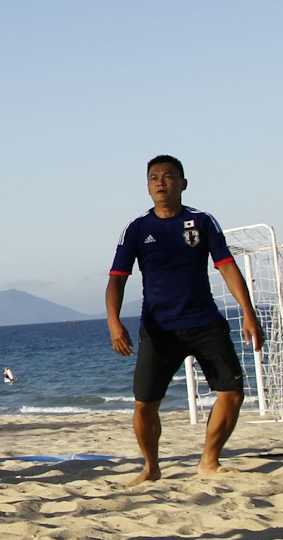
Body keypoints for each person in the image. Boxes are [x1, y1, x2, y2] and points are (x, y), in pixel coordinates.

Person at [106, 154, 264, 484]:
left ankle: (209, 460)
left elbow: (226, 266)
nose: (160, 182)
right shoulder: (137, 229)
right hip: (159, 330)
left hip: (204, 321)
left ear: (183, 184)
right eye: (153, 178)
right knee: (144, 406)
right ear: (147, 187)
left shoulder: (202, 221)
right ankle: (151, 467)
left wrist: (249, 314)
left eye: (167, 176)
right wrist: (114, 321)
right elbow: (117, 278)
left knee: (232, 394)